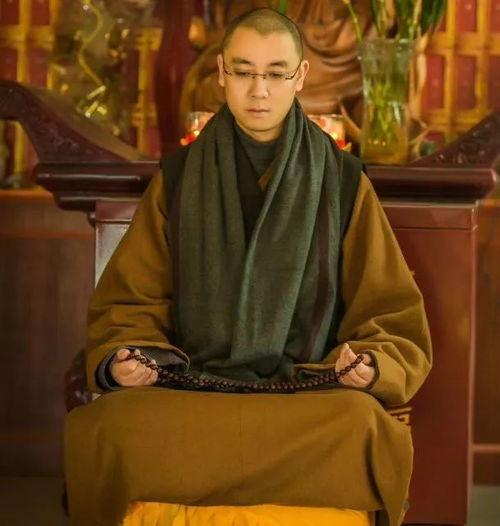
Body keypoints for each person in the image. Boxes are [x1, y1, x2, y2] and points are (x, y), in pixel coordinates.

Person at [64, 8, 432, 526]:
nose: (259, 91)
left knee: (359, 423)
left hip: (303, 397)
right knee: (113, 425)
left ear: (300, 76)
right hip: (193, 389)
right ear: (221, 72)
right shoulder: (179, 177)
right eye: (243, 71)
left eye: (276, 73)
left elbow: (390, 310)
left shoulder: (343, 180)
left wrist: (370, 364)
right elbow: (129, 300)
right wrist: (131, 357)